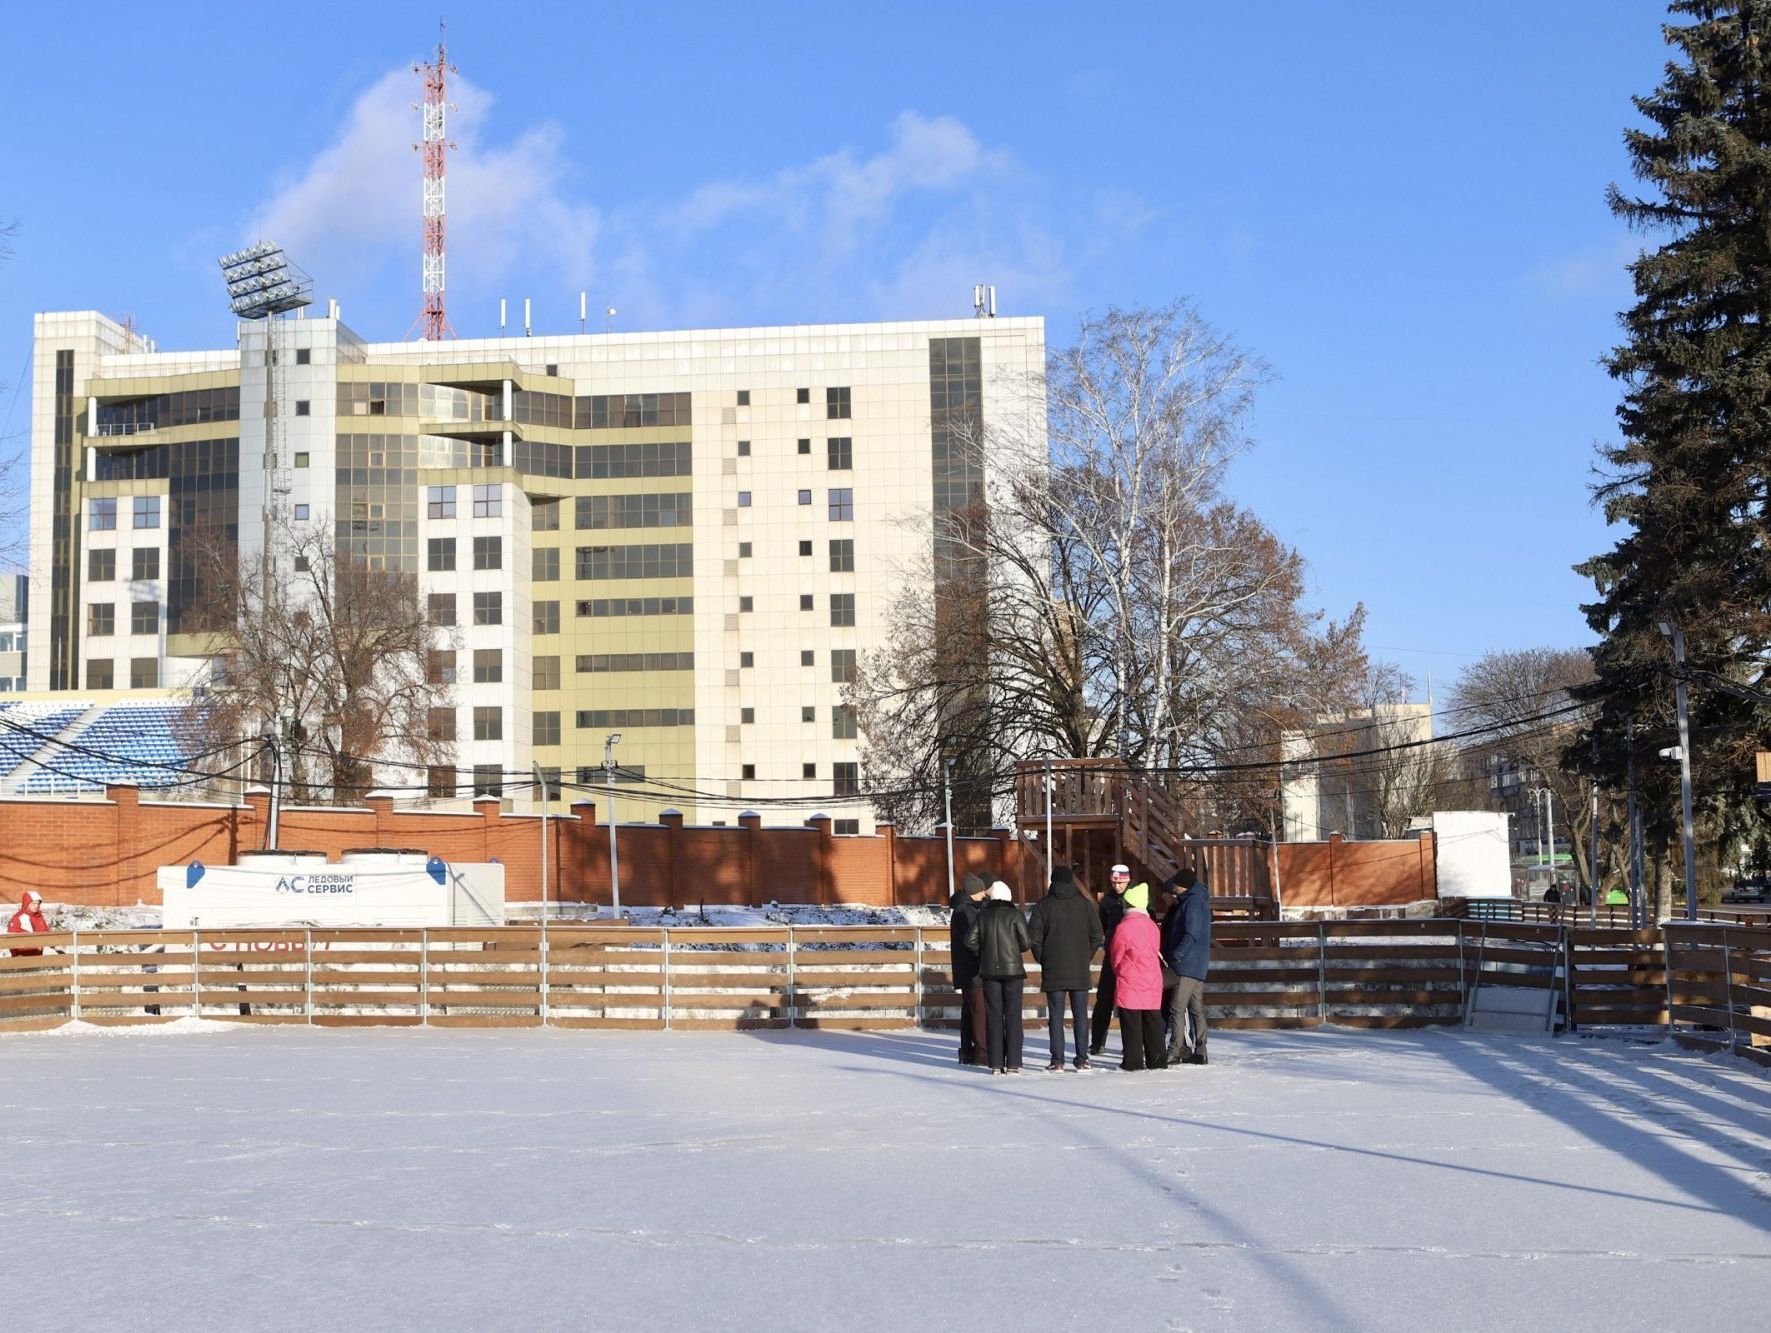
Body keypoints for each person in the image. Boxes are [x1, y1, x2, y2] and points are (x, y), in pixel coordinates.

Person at [1028, 864, 1104, 1070]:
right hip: (1079, 968)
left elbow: (1033, 938)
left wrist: (1044, 958)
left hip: (1054, 968)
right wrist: (1085, 956)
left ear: (1052, 882)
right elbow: (1097, 935)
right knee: (1080, 1015)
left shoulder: (1043, 906)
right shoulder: (1085, 905)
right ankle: (1082, 1059)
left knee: (1056, 1016)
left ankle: (1057, 1061)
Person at [965, 880, 1032, 1074]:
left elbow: (969, 941)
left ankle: (995, 1063)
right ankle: (1013, 1063)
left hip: (989, 973)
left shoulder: (982, 916)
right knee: (1012, 1015)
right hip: (1013, 973)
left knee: (993, 1016)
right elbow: (1026, 943)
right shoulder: (1016, 915)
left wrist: (984, 952)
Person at [1108, 882, 1166, 1071]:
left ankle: (1132, 1062)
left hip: (1130, 979)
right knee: (1153, 1021)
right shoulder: (1152, 926)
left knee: (1131, 1024)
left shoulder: (1123, 927)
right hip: (1152, 979)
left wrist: (1119, 970)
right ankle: (1157, 1059)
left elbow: (1116, 954)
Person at [1163, 867, 1211, 1066]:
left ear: (1183, 886)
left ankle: (1176, 1050)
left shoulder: (1191, 903)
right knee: (1195, 1008)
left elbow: (1191, 933)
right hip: (1197, 964)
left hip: (1187, 965)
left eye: (1175, 884)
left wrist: (1178, 954)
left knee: (1177, 1008)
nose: (1173, 888)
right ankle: (1200, 1050)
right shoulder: (1197, 900)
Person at [1089, 864, 1133, 1055]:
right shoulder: (1107, 901)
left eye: (1120, 882)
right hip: (1112, 954)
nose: (1117, 886)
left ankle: (1131, 1043)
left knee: (1129, 1001)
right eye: (1114, 882)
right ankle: (1098, 1042)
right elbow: (1102, 925)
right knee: (1104, 1000)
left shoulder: (1136, 898)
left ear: (1127, 880)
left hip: (1131, 957)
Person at [948, 873, 991, 1065]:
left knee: (969, 1011)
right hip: (973, 970)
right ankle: (982, 1052)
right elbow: (975, 940)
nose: (984, 895)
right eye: (982, 891)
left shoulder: (962, 909)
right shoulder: (967, 912)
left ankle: (967, 1051)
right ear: (975, 892)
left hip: (965, 969)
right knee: (979, 1011)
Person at [7, 891, 49, 957]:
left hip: (40, 956)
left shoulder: (39, 917)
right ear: (27, 903)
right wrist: (35, 946)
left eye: (38, 903)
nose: (37, 906)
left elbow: (47, 934)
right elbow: (11, 942)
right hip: (22, 956)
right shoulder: (17, 919)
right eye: (34, 903)